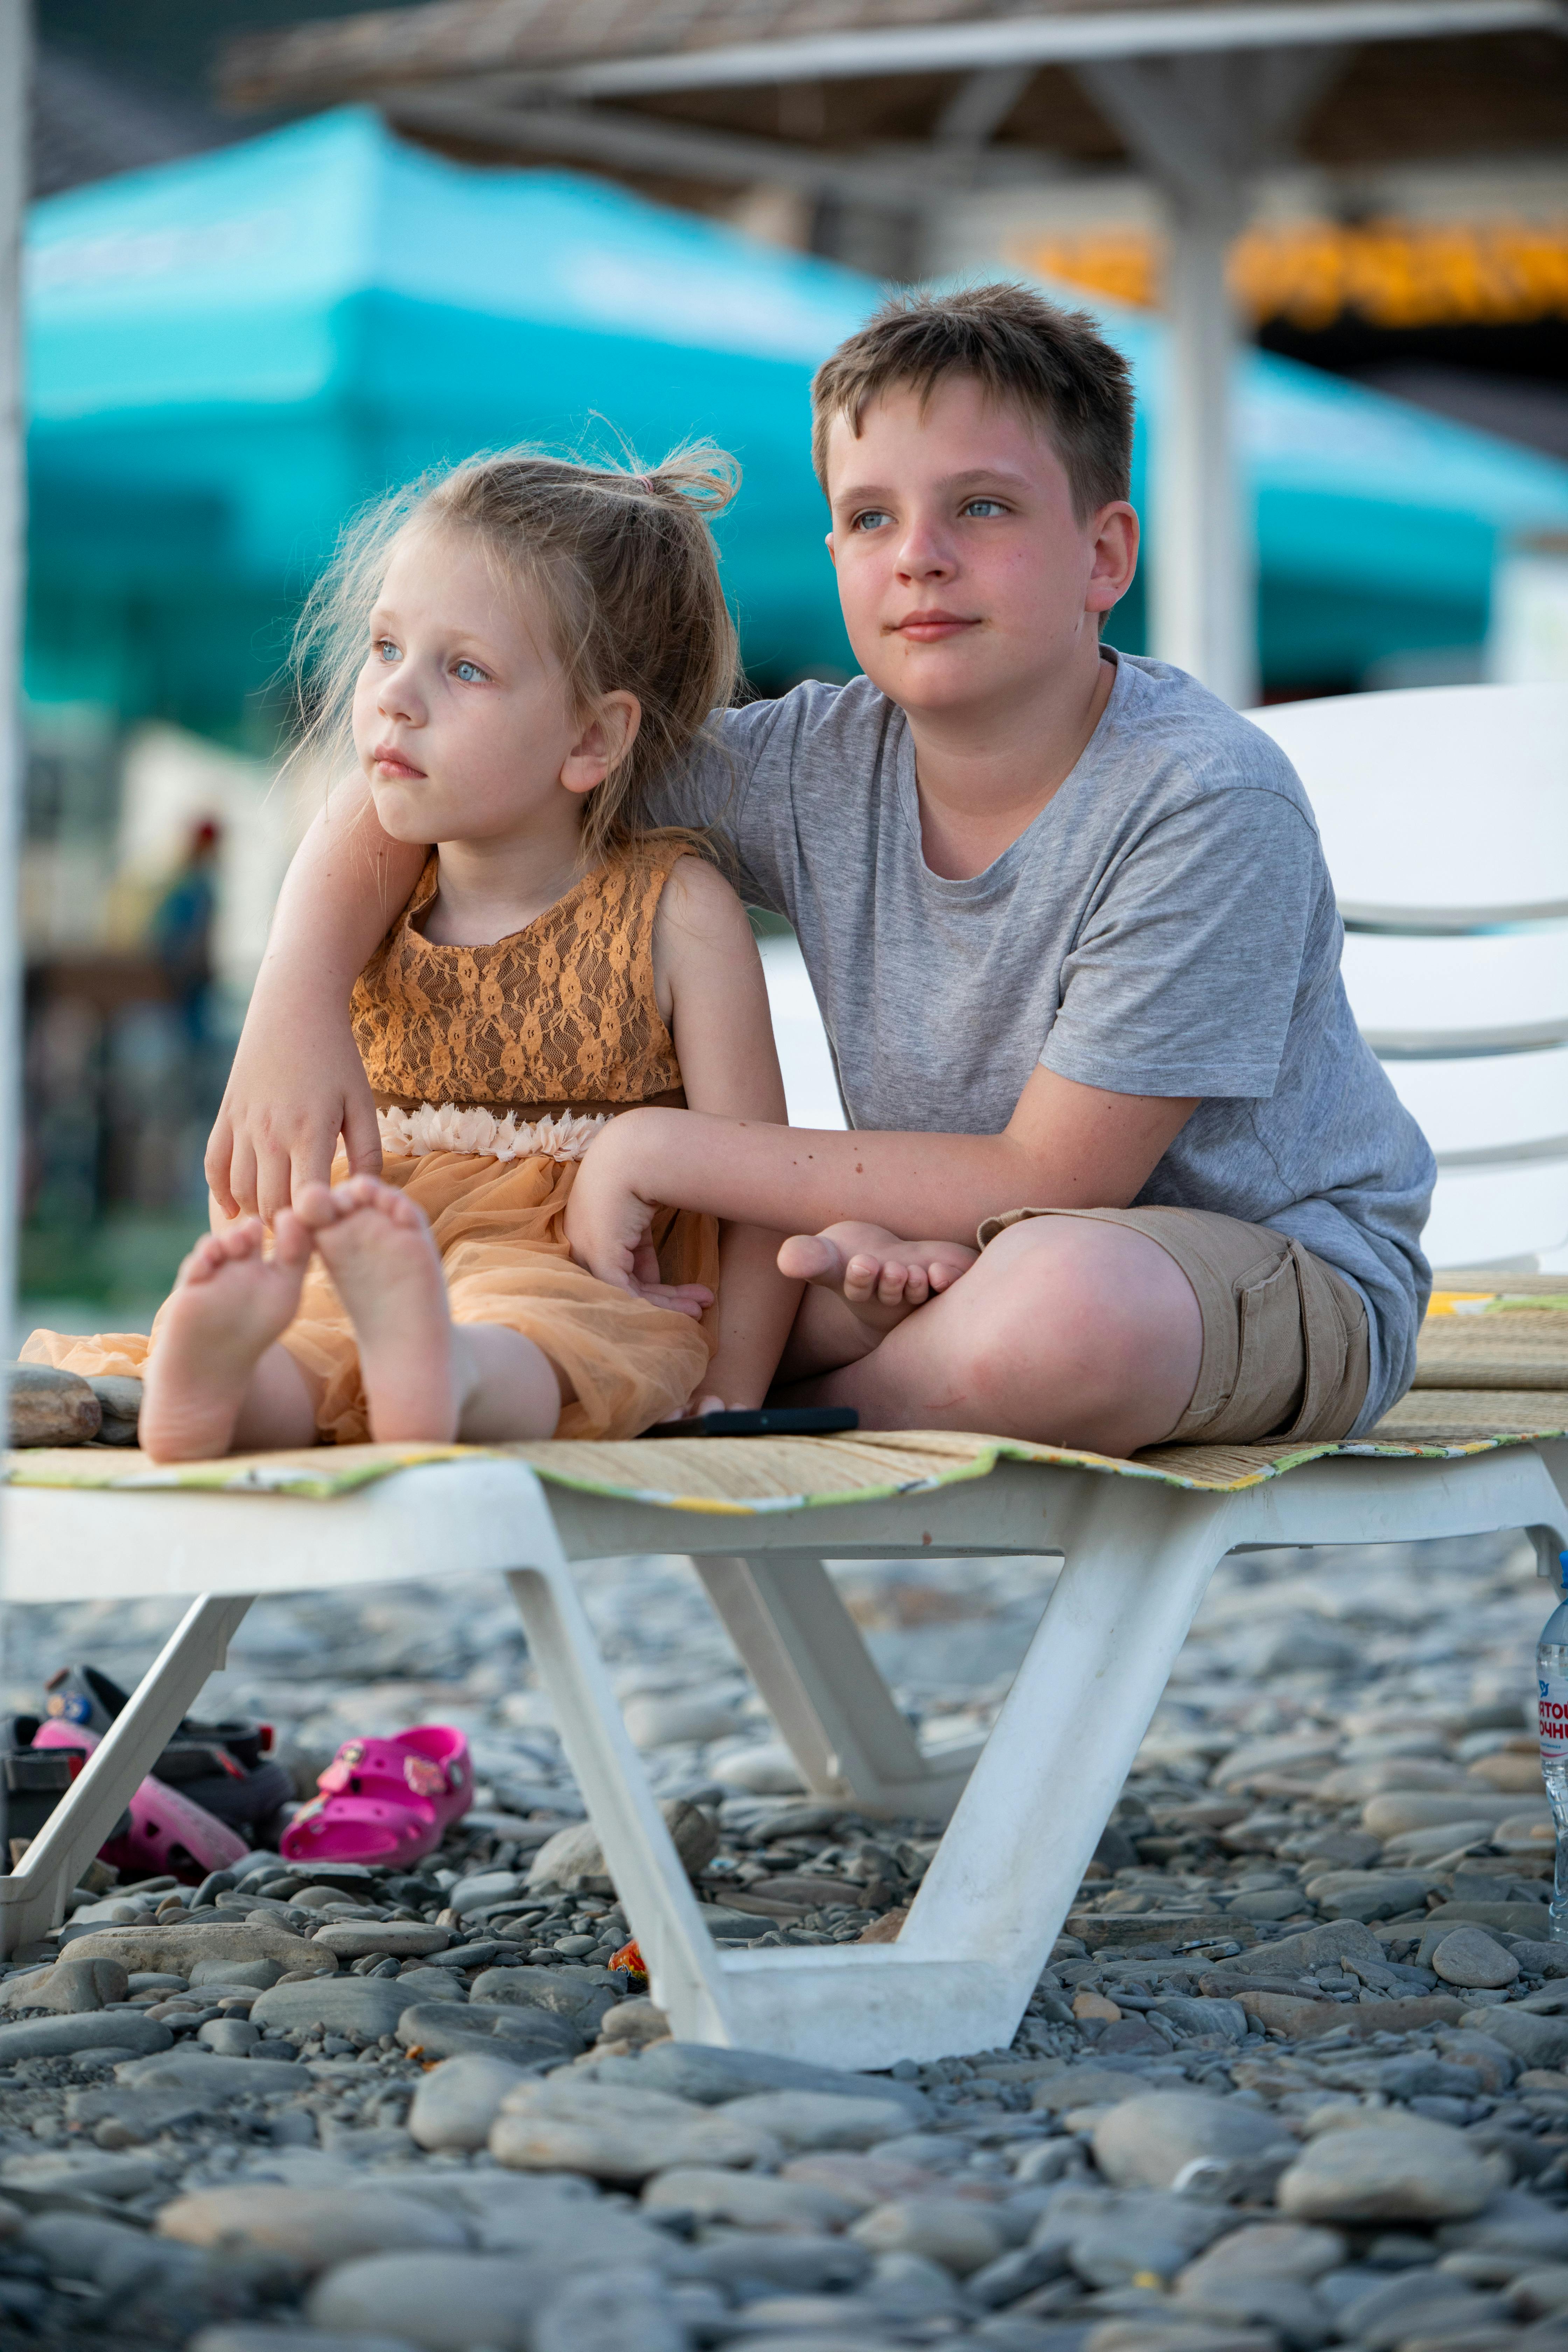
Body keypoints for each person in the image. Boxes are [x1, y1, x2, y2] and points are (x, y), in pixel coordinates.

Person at [199, 283, 1435, 1461]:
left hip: (1256, 1270)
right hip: (934, 1251)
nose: (921, 558)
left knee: (1063, 1307)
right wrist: (293, 1008)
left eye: (984, 509)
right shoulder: (817, 762)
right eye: (872, 517)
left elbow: (1058, 1179)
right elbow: (453, 773)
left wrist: (654, 1148)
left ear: (1105, 556)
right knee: (655, 1273)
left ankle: (729, 1409)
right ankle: (691, 1371)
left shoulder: (1199, 800)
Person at [24, 447, 800, 1461]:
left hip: (577, 1267)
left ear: (594, 739)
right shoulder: (375, 881)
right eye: (386, 646)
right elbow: (350, 829)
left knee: (536, 1331)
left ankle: (437, 1367)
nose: (396, 695)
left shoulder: (674, 914)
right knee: (306, 1343)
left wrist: (734, 1388)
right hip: (371, 1247)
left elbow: (761, 1187)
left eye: (465, 668)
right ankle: (217, 1384)